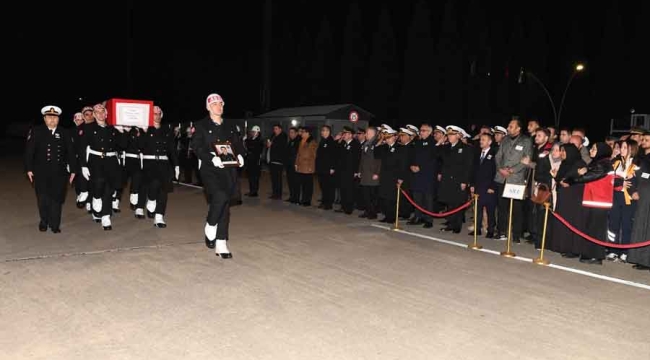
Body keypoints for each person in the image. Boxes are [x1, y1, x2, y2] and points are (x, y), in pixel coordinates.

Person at [191, 93, 245, 259]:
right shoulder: (201, 126)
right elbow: (196, 147)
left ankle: (221, 243)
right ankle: (211, 224)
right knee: (220, 196)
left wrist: (241, 155)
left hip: (228, 169)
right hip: (210, 169)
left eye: (220, 103)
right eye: (214, 104)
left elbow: (237, 144)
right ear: (208, 107)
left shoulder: (229, 125)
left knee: (225, 207)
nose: (218, 106)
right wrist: (210, 157)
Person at [24, 106, 76, 233]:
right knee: (43, 199)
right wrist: (29, 168)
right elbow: (29, 151)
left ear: (58, 119)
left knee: (57, 199)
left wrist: (73, 170)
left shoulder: (64, 132)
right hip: (41, 172)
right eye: (49, 117)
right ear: (44, 118)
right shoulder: (36, 131)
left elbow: (71, 152)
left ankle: (55, 224)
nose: (52, 120)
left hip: (59, 173)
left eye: (55, 117)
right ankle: (44, 221)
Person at [77, 103, 127, 230]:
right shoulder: (88, 128)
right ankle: (96, 198)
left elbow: (123, 145)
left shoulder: (112, 129)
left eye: (102, 111)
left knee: (109, 190)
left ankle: (106, 217)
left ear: (106, 114)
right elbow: (82, 148)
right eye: (97, 112)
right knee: (98, 184)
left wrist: (122, 131)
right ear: (94, 114)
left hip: (111, 161)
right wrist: (83, 165)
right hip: (95, 161)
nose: (100, 114)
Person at [139, 105, 180, 227]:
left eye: (158, 114)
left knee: (164, 190)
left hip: (164, 163)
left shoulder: (166, 130)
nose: (156, 116)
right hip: (149, 164)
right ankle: (151, 199)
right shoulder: (144, 129)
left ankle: (159, 216)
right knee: (154, 184)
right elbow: (140, 146)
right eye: (154, 114)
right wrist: (144, 132)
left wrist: (176, 165)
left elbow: (172, 149)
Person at [294, 126, 318, 206]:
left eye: (303, 132)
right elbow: (298, 153)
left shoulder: (312, 142)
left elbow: (314, 156)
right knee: (303, 184)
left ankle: (307, 201)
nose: (301, 133)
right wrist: (296, 163)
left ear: (308, 133)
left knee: (308, 185)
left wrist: (311, 166)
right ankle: (303, 199)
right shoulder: (301, 141)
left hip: (308, 166)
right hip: (301, 166)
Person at [244, 125, 263, 197]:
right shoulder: (252, 139)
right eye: (252, 132)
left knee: (255, 177)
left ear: (258, 132)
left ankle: (254, 192)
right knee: (250, 177)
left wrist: (246, 140)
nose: (252, 133)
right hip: (250, 161)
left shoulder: (259, 140)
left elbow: (251, 147)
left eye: (254, 132)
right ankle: (251, 190)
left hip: (256, 162)